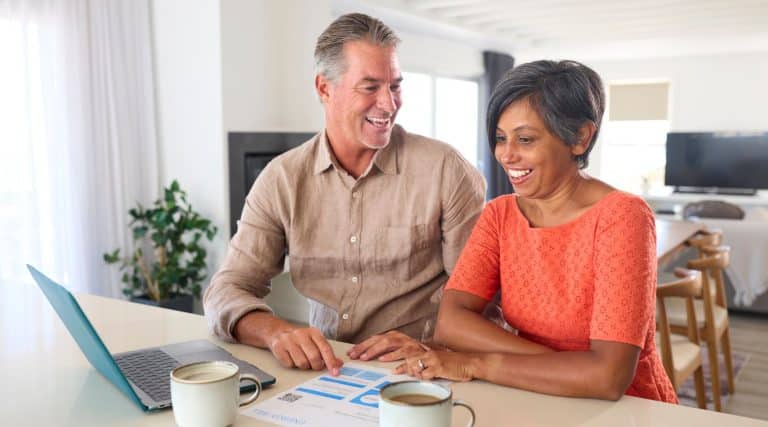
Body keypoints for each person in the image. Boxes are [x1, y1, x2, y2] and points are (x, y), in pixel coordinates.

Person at [204, 13, 485, 375]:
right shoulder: (283, 179)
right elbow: (226, 290)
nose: (389, 104)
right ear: (324, 88)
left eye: (395, 86)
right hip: (326, 372)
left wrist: (431, 346)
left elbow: (483, 304)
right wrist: (276, 332)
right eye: (370, 87)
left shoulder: (446, 170)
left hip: (421, 369)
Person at [395, 60, 677, 403]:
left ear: (579, 138)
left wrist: (474, 364)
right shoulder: (500, 214)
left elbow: (609, 379)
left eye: (525, 139)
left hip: (627, 408)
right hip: (530, 393)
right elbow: (451, 324)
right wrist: (577, 369)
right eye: (501, 138)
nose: (507, 154)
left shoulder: (622, 217)